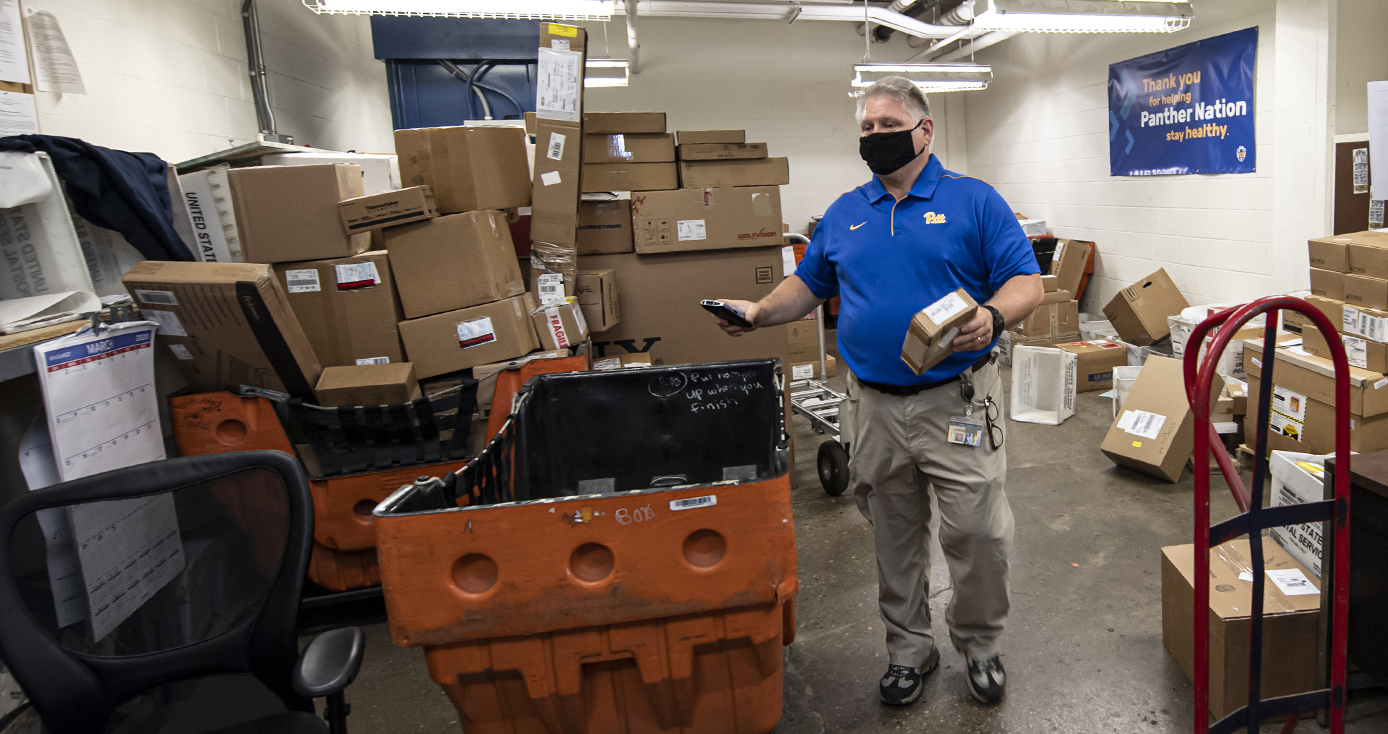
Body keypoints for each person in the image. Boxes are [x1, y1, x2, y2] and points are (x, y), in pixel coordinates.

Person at [710, 76, 1043, 707]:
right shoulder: (844, 212)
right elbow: (806, 287)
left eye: (888, 126)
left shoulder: (973, 201)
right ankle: (908, 650)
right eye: (866, 128)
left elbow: (1026, 280)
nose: (875, 137)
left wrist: (994, 317)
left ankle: (978, 644)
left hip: (957, 400)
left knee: (978, 533)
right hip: (873, 406)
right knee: (892, 534)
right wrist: (758, 312)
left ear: (925, 130)